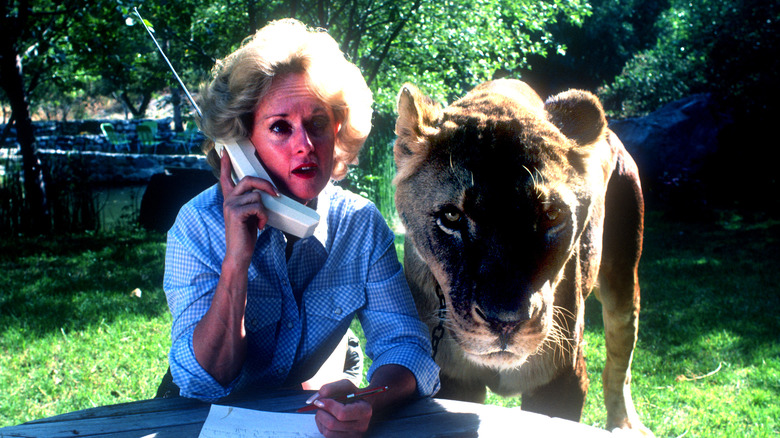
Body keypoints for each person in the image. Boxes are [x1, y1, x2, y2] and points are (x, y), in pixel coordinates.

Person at [162, 18, 439, 437]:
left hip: (300, 419)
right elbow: (204, 382)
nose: (305, 145)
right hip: (196, 420)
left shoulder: (360, 226)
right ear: (241, 145)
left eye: (317, 123)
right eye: (279, 127)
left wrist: (369, 399)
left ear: (338, 130)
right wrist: (237, 259)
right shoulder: (197, 226)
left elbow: (406, 346)